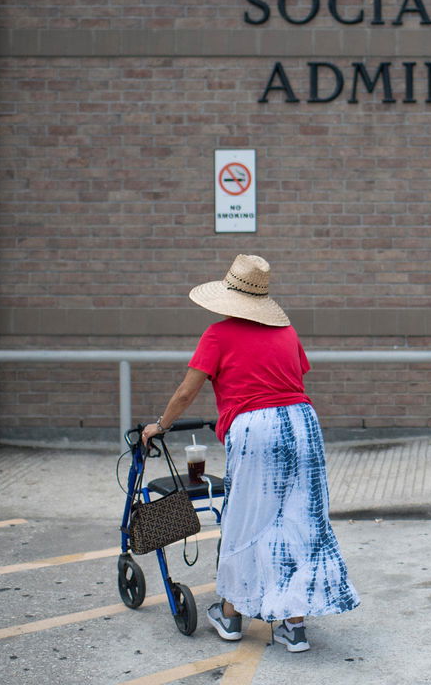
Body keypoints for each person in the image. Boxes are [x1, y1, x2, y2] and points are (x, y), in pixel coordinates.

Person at [141, 254, 359, 652]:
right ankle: (293, 626)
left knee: (246, 520)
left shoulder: (218, 334)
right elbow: (293, 378)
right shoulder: (286, 332)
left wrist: (162, 424)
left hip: (256, 427)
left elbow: (188, 391)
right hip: (303, 423)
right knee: (299, 521)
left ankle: (230, 614)